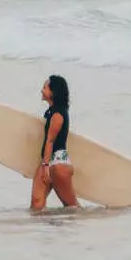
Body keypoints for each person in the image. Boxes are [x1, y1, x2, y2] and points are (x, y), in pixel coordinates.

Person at [31, 74, 77, 212]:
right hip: (46, 160)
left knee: (71, 206)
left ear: (52, 92)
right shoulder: (51, 111)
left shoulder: (58, 114)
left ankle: (79, 230)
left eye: (45, 87)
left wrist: (45, 166)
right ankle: (47, 232)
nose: (41, 90)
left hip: (58, 163)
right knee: (36, 205)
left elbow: (50, 141)